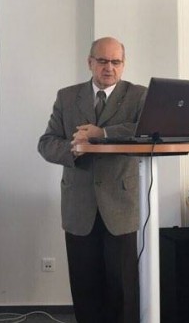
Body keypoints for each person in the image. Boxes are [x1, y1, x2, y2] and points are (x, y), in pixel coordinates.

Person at [38, 37, 147, 323]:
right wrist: (73, 149)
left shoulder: (138, 95)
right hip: (78, 205)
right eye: (102, 61)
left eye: (116, 62)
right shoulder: (67, 97)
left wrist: (103, 133)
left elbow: (144, 131)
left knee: (122, 289)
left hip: (120, 205)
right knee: (85, 287)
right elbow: (46, 143)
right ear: (90, 63)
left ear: (123, 65)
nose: (109, 68)